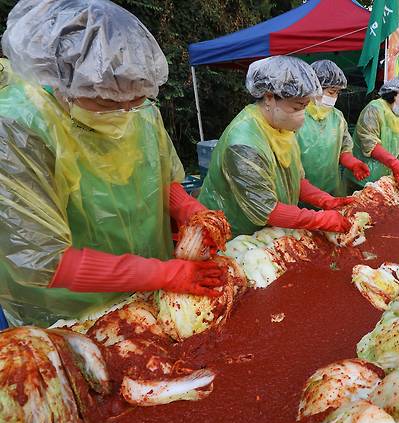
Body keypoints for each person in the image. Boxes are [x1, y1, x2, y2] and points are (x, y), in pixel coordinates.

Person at [0, 0, 230, 327]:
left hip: (152, 292)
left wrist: (189, 209)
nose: (124, 112)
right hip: (66, 317)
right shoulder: (18, 126)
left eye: (135, 100)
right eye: (108, 100)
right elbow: (44, 260)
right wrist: (165, 273)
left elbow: (159, 177)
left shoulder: (141, 112)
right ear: (59, 75)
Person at [199, 56, 354, 237]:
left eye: (305, 107)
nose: (302, 116)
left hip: (268, 233)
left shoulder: (282, 129)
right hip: (233, 235)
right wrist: (320, 219)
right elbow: (267, 209)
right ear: (269, 97)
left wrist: (324, 200)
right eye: (296, 108)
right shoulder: (243, 144)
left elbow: (295, 180)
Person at [296, 60, 369, 196]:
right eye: (331, 92)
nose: (334, 97)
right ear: (313, 88)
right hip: (300, 193)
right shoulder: (295, 116)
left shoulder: (337, 117)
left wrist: (352, 163)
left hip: (332, 189)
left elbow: (344, 148)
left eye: (337, 93)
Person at [347, 76, 399, 189]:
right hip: (362, 178)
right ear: (396, 92)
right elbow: (369, 143)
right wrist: (394, 163)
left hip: (382, 180)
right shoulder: (374, 109)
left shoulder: (398, 115)